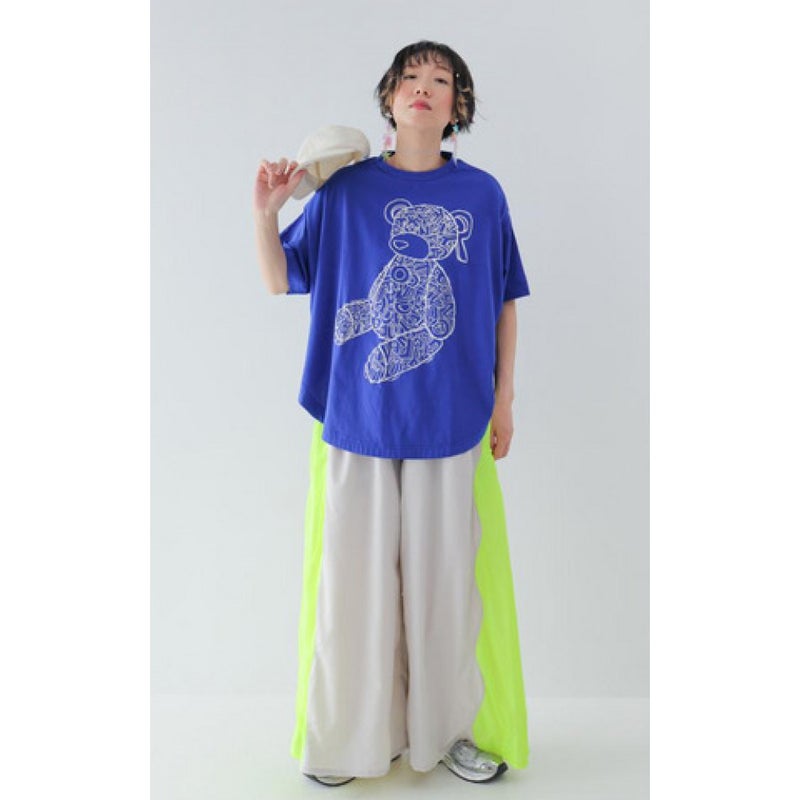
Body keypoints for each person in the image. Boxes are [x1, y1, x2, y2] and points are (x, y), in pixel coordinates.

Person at [253, 41, 532, 787]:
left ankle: (448, 735)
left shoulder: (482, 196)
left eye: (441, 80)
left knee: (445, 592)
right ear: (388, 97)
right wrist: (267, 212)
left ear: (457, 107)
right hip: (360, 420)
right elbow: (281, 278)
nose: (423, 88)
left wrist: (504, 400)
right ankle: (351, 741)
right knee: (356, 593)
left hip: (451, 419)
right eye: (410, 77)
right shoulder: (345, 192)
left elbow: (504, 300)